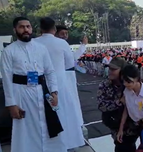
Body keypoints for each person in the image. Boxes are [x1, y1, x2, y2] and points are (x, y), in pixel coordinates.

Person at [1, 17, 65, 152]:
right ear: (15, 30)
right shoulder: (9, 51)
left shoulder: (41, 48)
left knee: (47, 124)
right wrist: (11, 104)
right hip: (21, 94)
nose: (26, 30)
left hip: (42, 91)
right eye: (22, 27)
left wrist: (54, 92)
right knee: (25, 128)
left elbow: (50, 71)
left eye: (28, 26)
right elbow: (6, 78)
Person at [35, 17, 85, 151]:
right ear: (54, 29)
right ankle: (66, 143)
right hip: (60, 81)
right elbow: (69, 63)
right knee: (64, 113)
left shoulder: (33, 42)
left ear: (40, 29)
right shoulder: (61, 44)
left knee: (41, 114)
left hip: (39, 82)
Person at [97, 57, 141, 152]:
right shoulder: (105, 85)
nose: (110, 71)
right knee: (121, 146)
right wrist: (119, 102)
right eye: (110, 68)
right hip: (116, 124)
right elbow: (101, 105)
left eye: (114, 69)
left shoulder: (129, 84)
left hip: (134, 124)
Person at [117, 65, 143, 151]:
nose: (125, 84)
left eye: (128, 82)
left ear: (137, 78)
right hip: (133, 124)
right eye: (124, 81)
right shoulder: (127, 91)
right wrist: (121, 129)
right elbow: (126, 109)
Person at [55, 25, 87, 127]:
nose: (65, 36)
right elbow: (72, 58)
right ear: (56, 34)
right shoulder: (58, 45)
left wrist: (77, 64)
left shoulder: (63, 45)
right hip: (63, 79)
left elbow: (71, 60)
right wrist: (83, 45)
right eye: (62, 34)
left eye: (66, 33)